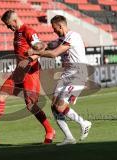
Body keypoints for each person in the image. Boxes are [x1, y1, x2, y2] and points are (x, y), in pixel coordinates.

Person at [0, 10, 55, 144]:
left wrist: (31, 56)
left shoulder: (28, 31)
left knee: (30, 105)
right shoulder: (17, 33)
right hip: (19, 72)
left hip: (30, 73)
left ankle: (50, 130)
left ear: (14, 21)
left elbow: (40, 49)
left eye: (8, 24)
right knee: (0, 96)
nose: (8, 27)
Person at [28, 15, 92, 146]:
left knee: (60, 105)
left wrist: (36, 53)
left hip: (78, 74)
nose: (53, 31)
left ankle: (83, 123)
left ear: (61, 26)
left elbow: (53, 54)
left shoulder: (73, 36)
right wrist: (36, 49)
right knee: (54, 107)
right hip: (67, 74)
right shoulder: (62, 39)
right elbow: (47, 47)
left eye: (54, 28)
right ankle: (69, 137)